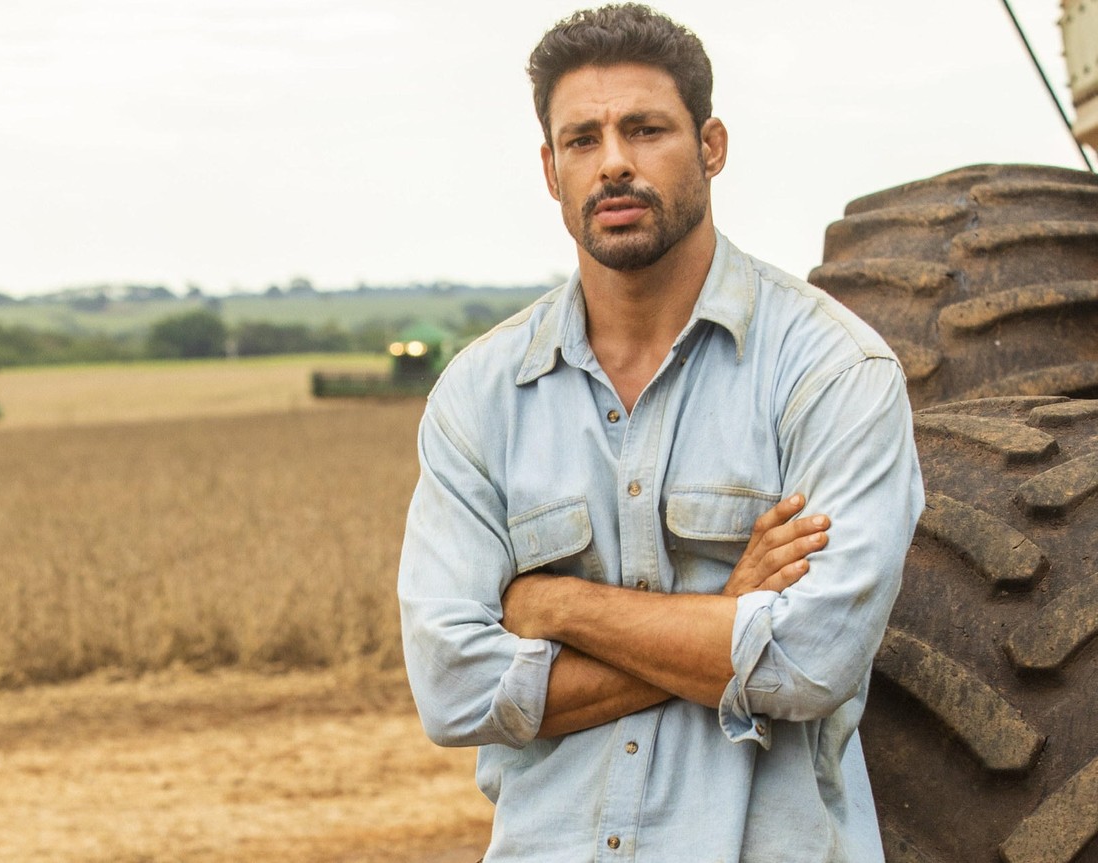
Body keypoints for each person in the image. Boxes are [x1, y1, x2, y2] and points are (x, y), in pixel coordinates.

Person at [396, 4, 924, 861]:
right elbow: (454, 691)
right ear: (549, 167)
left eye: (645, 130)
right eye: (583, 139)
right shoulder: (480, 396)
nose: (613, 164)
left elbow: (808, 659)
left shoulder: (831, 371)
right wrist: (721, 616)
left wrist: (556, 605)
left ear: (711, 146)